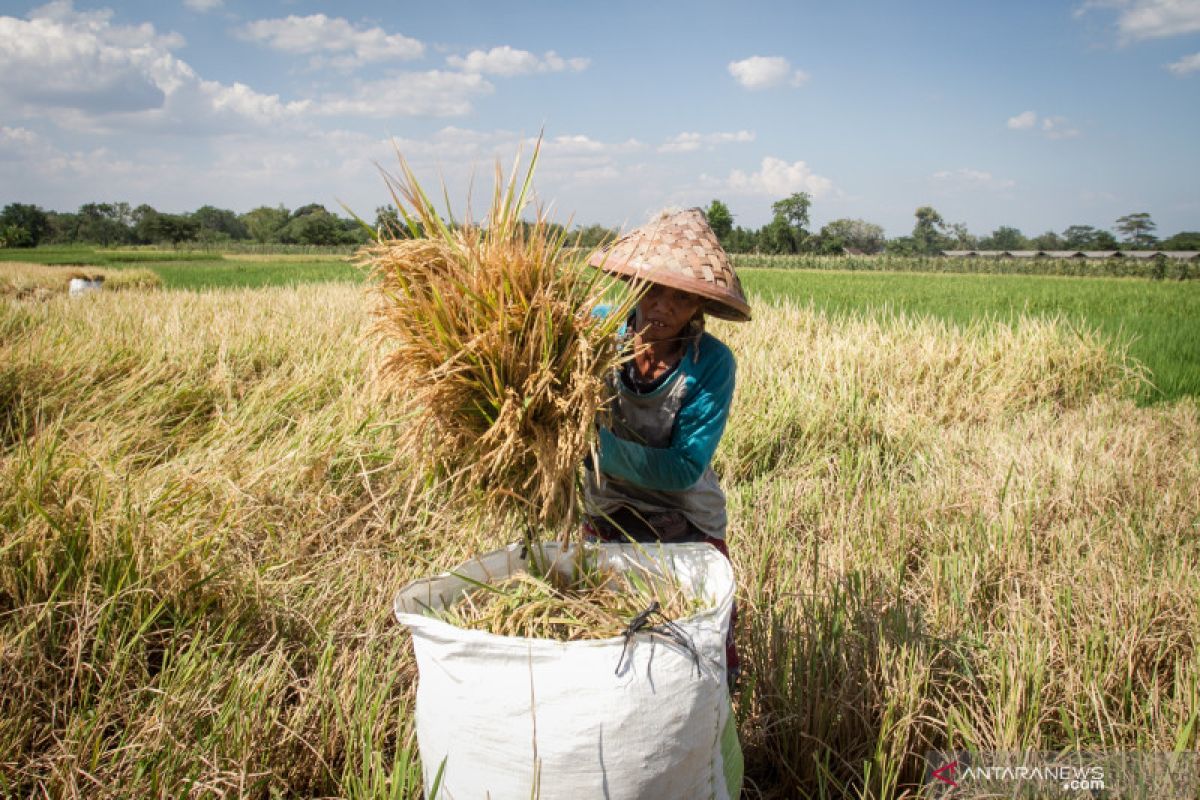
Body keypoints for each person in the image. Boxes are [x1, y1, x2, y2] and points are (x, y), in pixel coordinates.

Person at [582, 207, 752, 684]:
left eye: (680, 298)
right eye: (653, 289)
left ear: (699, 308)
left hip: (682, 522)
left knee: (694, 659)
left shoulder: (711, 364)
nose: (661, 307)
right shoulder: (593, 332)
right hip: (608, 512)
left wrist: (592, 449)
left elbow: (683, 467)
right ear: (633, 286)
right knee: (602, 649)